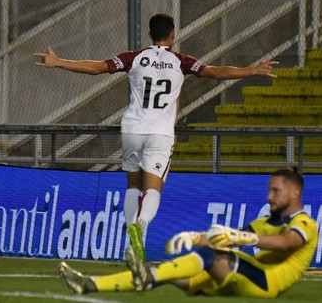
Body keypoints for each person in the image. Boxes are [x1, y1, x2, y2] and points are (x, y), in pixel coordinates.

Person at [34, 13, 278, 261]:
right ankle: (140, 226)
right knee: (153, 188)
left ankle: (132, 242)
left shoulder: (134, 58)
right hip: (159, 133)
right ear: (173, 35)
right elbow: (215, 72)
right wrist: (251, 70)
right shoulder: (181, 61)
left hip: (132, 129)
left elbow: (97, 68)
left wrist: (59, 62)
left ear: (150, 34)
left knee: (133, 185)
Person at [58, 167, 318, 298]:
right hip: (246, 280)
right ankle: (90, 284)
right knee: (173, 272)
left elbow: (285, 243)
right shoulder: (266, 222)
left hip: (267, 283)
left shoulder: (304, 223)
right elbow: (227, 237)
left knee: (210, 256)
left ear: (295, 193)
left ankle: (148, 275)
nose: (269, 196)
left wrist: (244, 238)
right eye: (269, 190)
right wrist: (194, 237)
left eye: (276, 191)